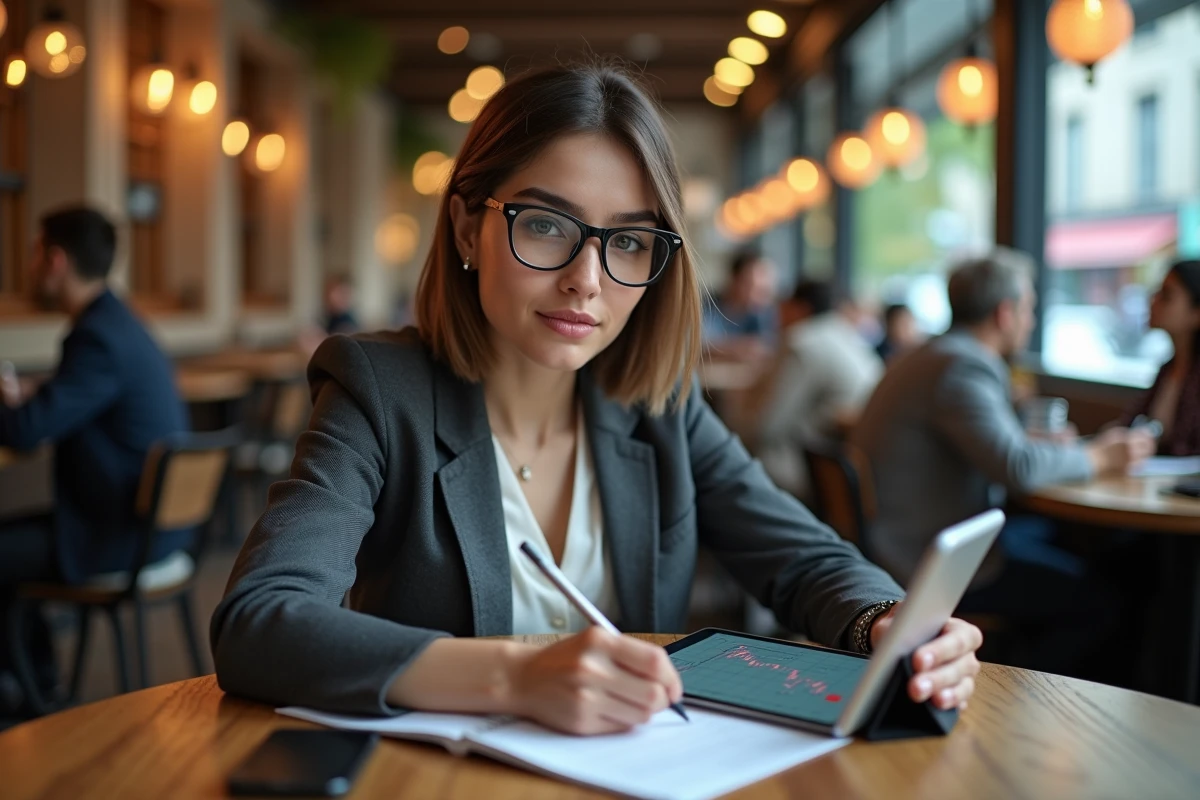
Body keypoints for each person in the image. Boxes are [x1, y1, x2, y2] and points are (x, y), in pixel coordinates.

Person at [211, 64, 984, 734]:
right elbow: (260, 622)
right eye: (547, 225)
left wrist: (888, 623)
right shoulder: (379, 391)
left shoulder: (659, 408)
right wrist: (512, 677)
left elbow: (807, 559)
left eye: (627, 241)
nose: (587, 278)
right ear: (465, 230)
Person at [852, 249, 1155, 677]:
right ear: (1005, 312)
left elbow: (997, 450)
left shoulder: (933, 354)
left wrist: (1033, 444)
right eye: (1029, 308)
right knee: (1101, 602)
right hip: (928, 564)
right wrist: (1104, 453)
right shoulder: (962, 366)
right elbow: (1018, 469)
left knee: (1055, 538)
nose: (1031, 320)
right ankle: (1021, 693)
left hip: (900, 538)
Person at [0, 206, 192, 711]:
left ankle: (30, 694)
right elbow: (78, 399)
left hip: (117, 536)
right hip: (156, 529)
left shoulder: (96, 337)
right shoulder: (120, 323)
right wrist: (40, 392)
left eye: (34, 251)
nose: (29, 264)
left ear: (55, 259)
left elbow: (24, 432)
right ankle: (33, 683)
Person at [749, 280, 883, 500]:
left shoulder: (803, 342)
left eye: (783, 307)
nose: (776, 316)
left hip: (820, 471)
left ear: (799, 308)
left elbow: (767, 426)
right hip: (858, 471)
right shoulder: (849, 336)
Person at [1119, 260, 1200, 455]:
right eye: (1156, 292)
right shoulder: (1167, 369)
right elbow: (1128, 426)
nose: (1153, 301)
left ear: (1196, 313)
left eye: (1166, 295)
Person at [701, 250, 778, 358]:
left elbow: (768, 347)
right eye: (749, 285)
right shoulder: (708, 305)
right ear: (734, 279)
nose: (757, 295)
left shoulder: (761, 311)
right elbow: (699, 345)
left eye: (763, 289)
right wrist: (738, 348)